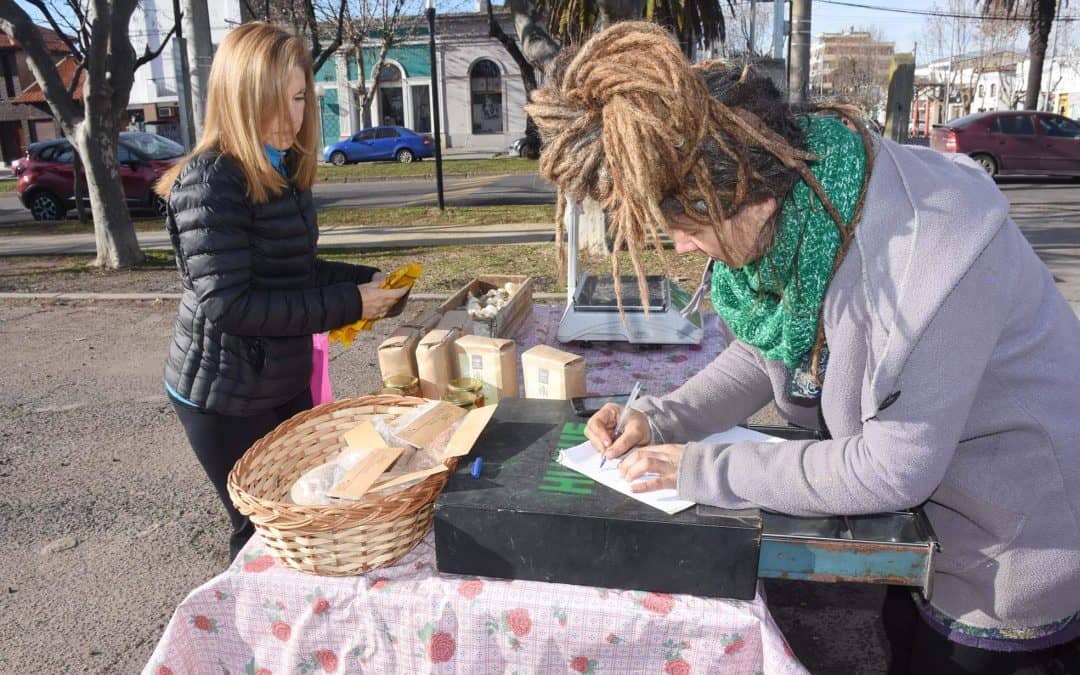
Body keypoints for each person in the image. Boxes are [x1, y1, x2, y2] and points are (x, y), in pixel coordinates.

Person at [528, 21, 1080, 674]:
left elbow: (890, 468)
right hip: (928, 535)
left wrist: (698, 469)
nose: (678, 247)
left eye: (683, 227)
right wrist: (661, 418)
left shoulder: (929, 261)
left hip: (1013, 552)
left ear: (753, 204)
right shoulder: (809, 204)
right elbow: (768, 353)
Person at [156, 22, 408, 560]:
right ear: (237, 100)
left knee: (307, 508)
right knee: (262, 533)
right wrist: (349, 303)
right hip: (222, 392)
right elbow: (229, 304)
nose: (290, 118)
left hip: (276, 374)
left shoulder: (283, 166)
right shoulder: (211, 179)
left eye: (297, 98)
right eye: (273, 102)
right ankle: (247, 636)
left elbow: (292, 269)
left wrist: (361, 280)